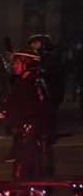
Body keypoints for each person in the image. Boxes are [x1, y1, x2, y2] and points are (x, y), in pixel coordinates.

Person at [0, 50, 53, 180]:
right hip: (23, 132)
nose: (14, 66)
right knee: (24, 167)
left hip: (30, 133)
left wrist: (30, 127)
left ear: (26, 64)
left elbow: (42, 108)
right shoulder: (23, 81)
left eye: (17, 62)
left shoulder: (35, 82)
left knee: (24, 169)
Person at [28, 33, 64, 175]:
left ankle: (46, 171)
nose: (33, 46)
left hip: (49, 98)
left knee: (46, 138)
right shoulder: (45, 57)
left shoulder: (52, 57)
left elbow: (48, 74)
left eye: (35, 43)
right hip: (44, 99)